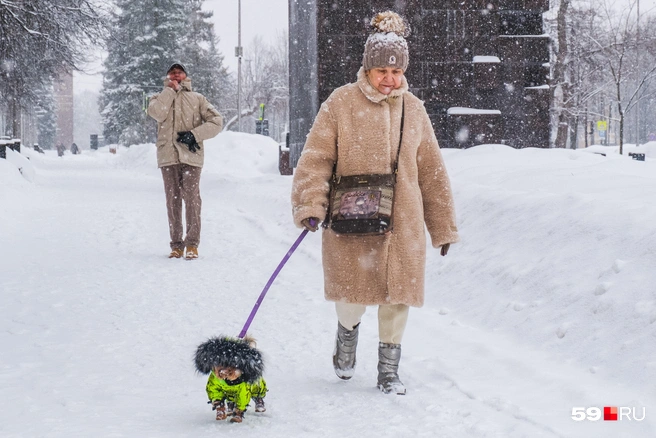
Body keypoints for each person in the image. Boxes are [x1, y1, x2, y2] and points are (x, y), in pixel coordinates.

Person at [291, 11, 459, 395]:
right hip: (353, 220)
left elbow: (432, 170)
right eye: (382, 70)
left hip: (403, 222)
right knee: (352, 298)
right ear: (367, 69)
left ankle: (388, 369)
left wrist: (442, 226)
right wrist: (311, 205)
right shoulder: (340, 103)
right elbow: (316, 159)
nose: (390, 79)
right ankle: (346, 339)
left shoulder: (414, 109)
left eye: (396, 72)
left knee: (398, 298)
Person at [147, 62, 222, 259]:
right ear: (167, 77)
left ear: (186, 76)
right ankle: (176, 245)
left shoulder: (198, 99)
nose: (175, 75)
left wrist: (194, 135)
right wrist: (169, 91)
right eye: (172, 73)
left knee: (191, 199)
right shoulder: (157, 98)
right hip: (168, 157)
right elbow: (157, 113)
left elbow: (216, 121)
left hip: (191, 156)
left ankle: (192, 244)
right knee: (172, 201)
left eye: (179, 73)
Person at [195, 336, 267, 423]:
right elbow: (212, 390)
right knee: (217, 390)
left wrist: (239, 411)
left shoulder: (243, 380)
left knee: (254, 388)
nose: (224, 373)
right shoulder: (215, 379)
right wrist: (218, 403)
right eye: (220, 370)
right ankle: (226, 405)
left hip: (242, 385)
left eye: (229, 372)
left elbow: (243, 396)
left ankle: (258, 399)